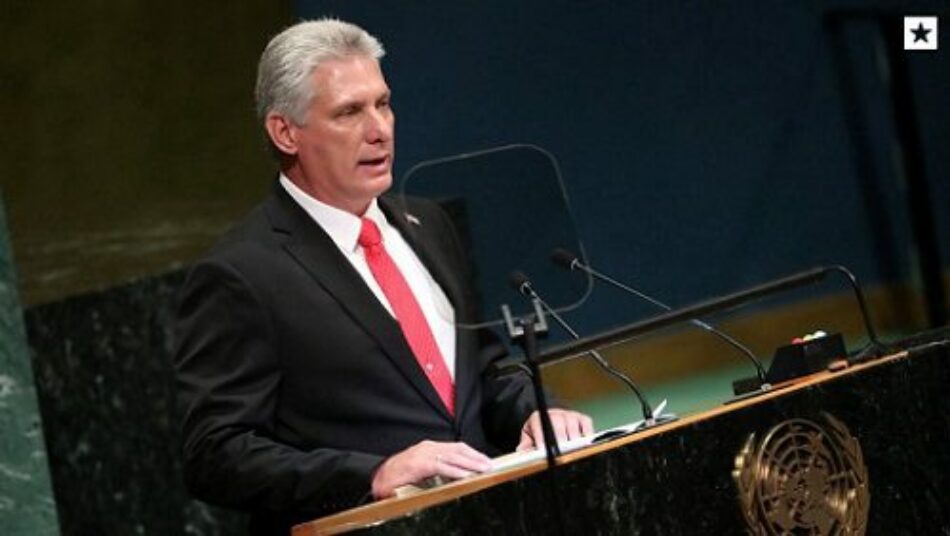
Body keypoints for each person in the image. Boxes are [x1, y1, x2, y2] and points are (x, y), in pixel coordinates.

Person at [173, 18, 593, 534]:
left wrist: (537, 411)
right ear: (285, 132)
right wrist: (373, 473)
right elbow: (215, 454)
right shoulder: (240, 273)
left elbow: (481, 372)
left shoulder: (430, 223)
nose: (380, 129)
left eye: (383, 103)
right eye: (350, 112)